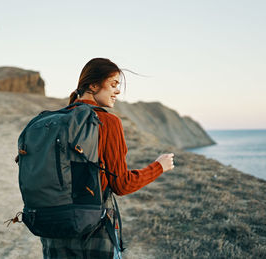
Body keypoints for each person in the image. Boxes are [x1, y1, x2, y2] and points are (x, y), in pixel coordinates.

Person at [40, 58, 174, 259]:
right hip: (92, 227)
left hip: (52, 228)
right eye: (113, 84)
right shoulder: (107, 122)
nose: (118, 91)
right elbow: (122, 185)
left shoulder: (51, 122)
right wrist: (159, 166)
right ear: (93, 85)